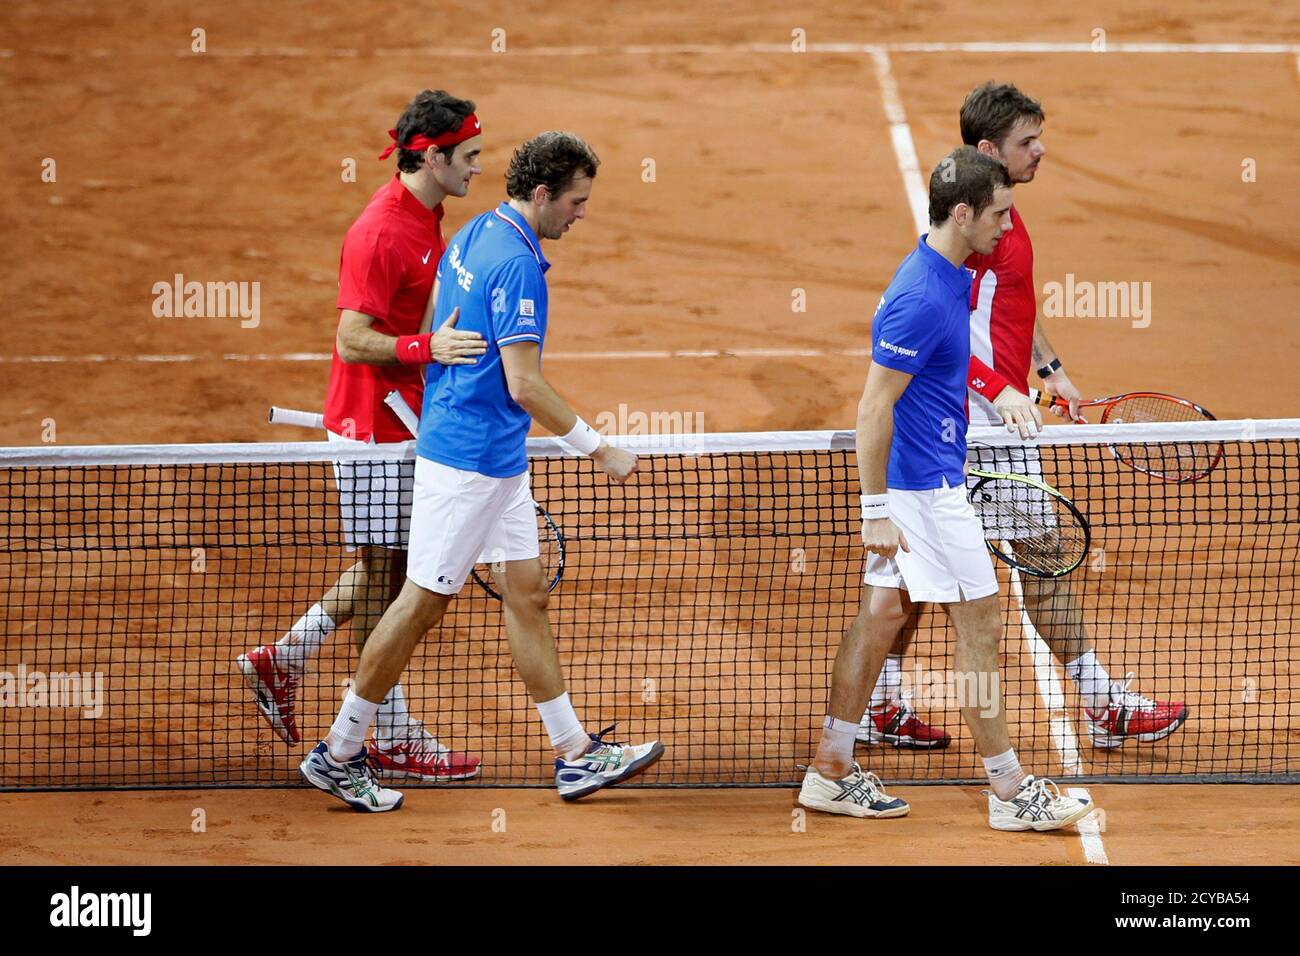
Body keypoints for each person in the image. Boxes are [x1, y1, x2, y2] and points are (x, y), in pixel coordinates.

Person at [300, 131, 665, 812]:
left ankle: (575, 754)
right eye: (576, 201)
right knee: (420, 604)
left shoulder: (474, 231)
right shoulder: (518, 267)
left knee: (525, 591)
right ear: (541, 193)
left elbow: (441, 324)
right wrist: (599, 447)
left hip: (493, 457)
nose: (582, 213)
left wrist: (447, 390)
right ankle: (338, 751)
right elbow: (525, 383)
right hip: (468, 465)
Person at [859, 83, 1188, 752]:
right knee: (1042, 560)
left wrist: (1046, 370)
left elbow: (1010, 304)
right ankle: (1101, 705)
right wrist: (998, 389)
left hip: (991, 413)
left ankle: (881, 702)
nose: (1041, 150)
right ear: (990, 151)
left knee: (922, 573)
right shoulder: (974, 232)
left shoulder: (997, 214)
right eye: (1026, 142)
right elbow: (948, 326)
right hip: (980, 428)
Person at [799, 146, 1097, 831]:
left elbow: (951, 368)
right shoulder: (922, 296)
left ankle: (831, 768)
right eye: (997, 215)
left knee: (879, 618)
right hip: (923, 492)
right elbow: (873, 408)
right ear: (963, 214)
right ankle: (1010, 790)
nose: (1006, 226)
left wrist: (1022, 389)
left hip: (930, 478)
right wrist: (877, 509)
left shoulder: (945, 272)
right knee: (982, 627)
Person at [237, 90, 488, 781]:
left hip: (402, 424)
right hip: (373, 432)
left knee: (390, 568)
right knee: (395, 579)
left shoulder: (426, 215)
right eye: (467, 156)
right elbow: (352, 339)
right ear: (432, 155)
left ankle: (280, 660)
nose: (477, 168)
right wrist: (427, 350)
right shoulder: (381, 232)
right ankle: (391, 733)